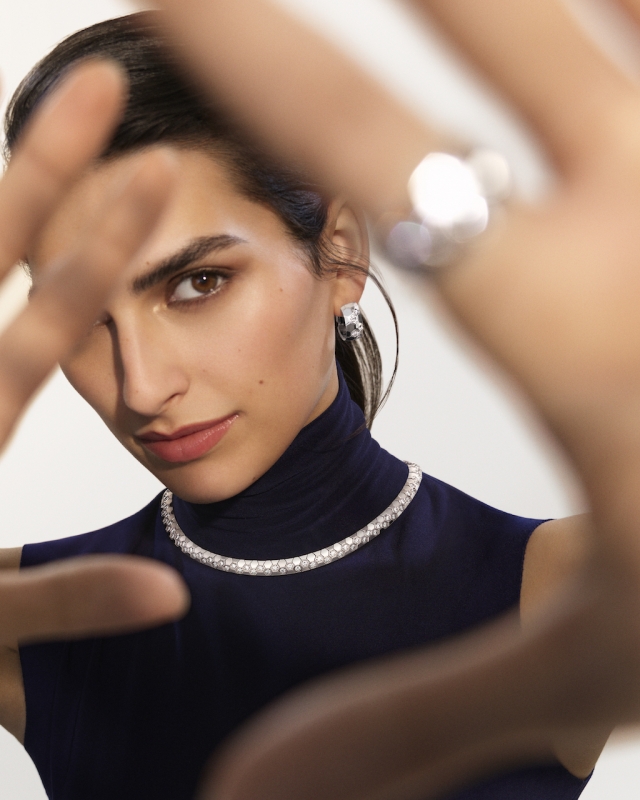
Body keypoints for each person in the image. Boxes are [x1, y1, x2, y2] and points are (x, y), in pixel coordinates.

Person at [0, 9, 620, 799]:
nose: (143, 387)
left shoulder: (562, 588)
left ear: (342, 255)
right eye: (83, 313)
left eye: (199, 283)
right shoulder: (29, 617)